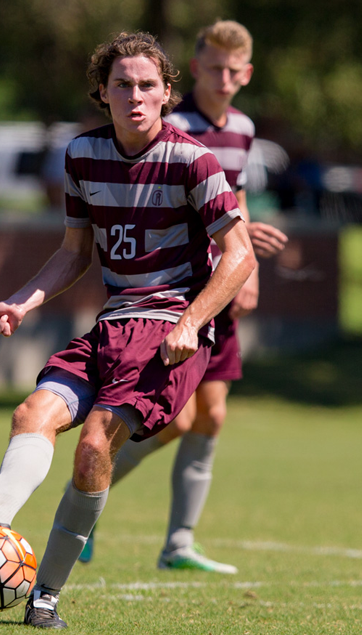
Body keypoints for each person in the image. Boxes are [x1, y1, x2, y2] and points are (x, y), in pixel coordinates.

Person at [0, 32, 256, 629]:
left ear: (168, 93)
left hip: (169, 329)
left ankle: (44, 597)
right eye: (123, 85)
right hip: (112, 323)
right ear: (102, 92)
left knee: (94, 445)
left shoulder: (195, 160)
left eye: (148, 85)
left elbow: (240, 254)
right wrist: (19, 303)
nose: (135, 96)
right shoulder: (81, 156)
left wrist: (194, 322)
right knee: (31, 414)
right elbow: (73, 253)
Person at [74, 19, 288, 575]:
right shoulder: (172, 123)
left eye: (232, 70)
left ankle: (179, 542)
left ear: (246, 74)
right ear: (192, 71)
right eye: (213, 68)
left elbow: (231, 198)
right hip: (175, 294)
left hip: (221, 288)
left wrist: (250, 268)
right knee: (175, 419)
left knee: (210, 418)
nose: (222, 78)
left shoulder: (242, 126)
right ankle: (87, 494)